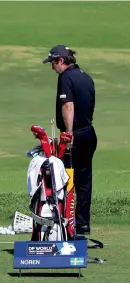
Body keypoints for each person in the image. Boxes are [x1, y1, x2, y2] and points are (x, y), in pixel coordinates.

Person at [42, 45, 97, 235]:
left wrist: (68, 134)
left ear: (61, 60)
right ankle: (82, 224)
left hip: (74, 136)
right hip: (89, 133)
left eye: (53, 63)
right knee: (84, 181)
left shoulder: (65, 77)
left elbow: (68, 106)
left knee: (64, 179)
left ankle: (65, 223)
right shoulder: (85, 76)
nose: (52, 67)